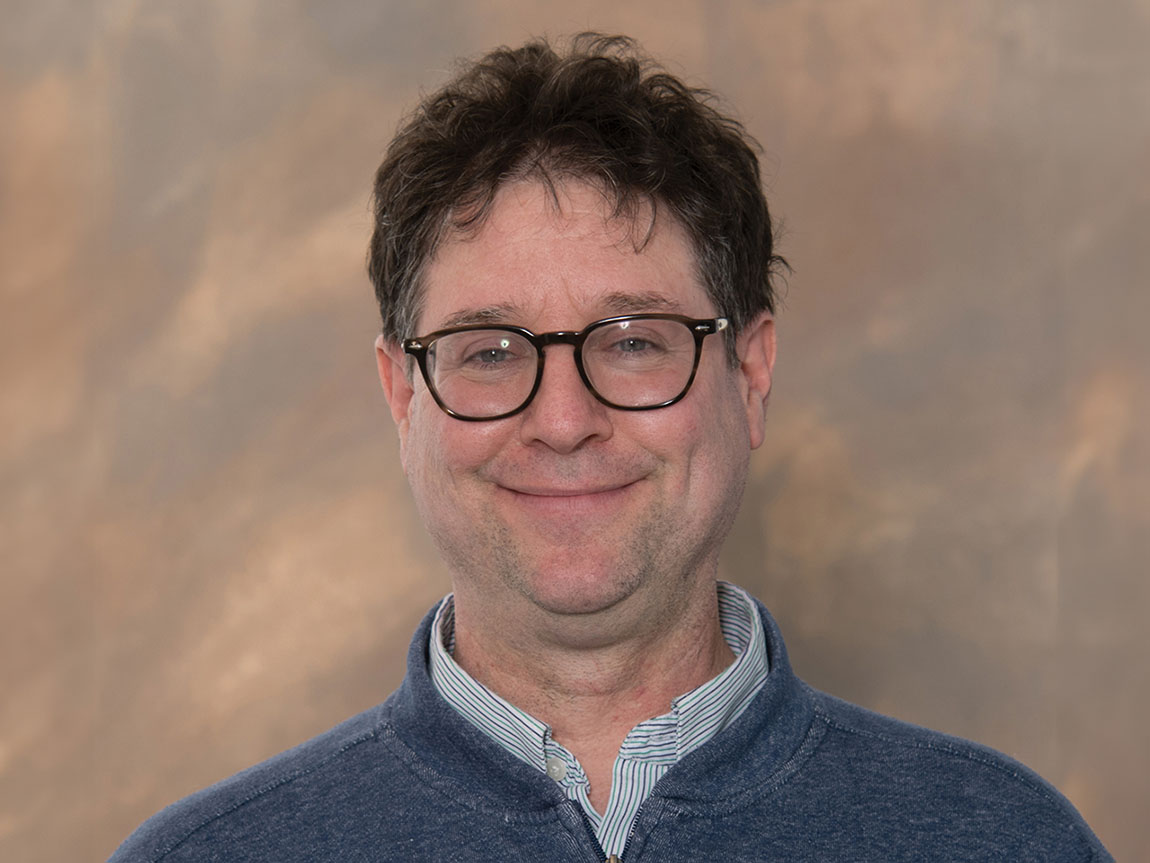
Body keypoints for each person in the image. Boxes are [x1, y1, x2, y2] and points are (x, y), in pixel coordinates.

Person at [110, 34, 1112, 862]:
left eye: (632, 341)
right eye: (489, 350)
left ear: (749, 374)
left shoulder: (1006, 840)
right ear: (401, 392)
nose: (560, 419)